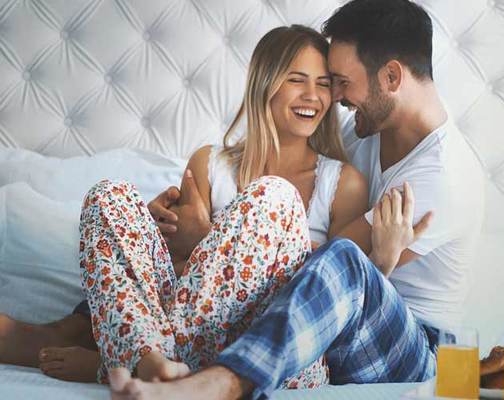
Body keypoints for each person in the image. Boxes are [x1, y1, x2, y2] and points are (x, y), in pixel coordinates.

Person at [106, 0, 485, 399]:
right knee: (115, 209)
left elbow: (305, 269)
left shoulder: (443, 177)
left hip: (413, 347)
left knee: (345, 259)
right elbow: (277, 154)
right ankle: (129, 347)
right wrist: (154, 231)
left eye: (339, 81)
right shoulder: (363, 128)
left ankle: (221, 383)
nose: (332, 96)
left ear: (391, 76)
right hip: (323, 331)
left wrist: (205, 240)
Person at [0, 25, 377, 388]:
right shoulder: (209, 164)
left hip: (275, 354)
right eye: (297, 79)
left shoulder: (342, 183)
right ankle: (148, 362)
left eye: (324, 84)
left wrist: (207, 237)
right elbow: (178, 271)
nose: (313, 95)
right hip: (177, 330)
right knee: (109, 196)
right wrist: (147, 236)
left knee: (273, 195)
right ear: (266, 83)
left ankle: (115, 363)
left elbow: (333, 284)